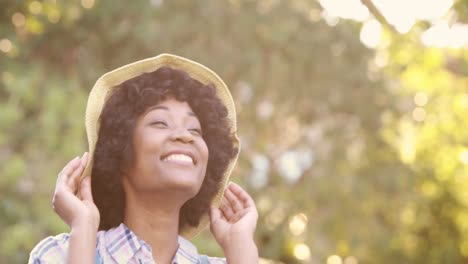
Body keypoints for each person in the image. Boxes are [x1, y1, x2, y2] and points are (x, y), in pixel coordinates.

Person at [28, 54, 259, 264]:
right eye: (160, 123)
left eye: (195, 130)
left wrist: (242, 249)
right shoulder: (57, 255)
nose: (184, 135)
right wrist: (84, 229)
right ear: (120, 149)